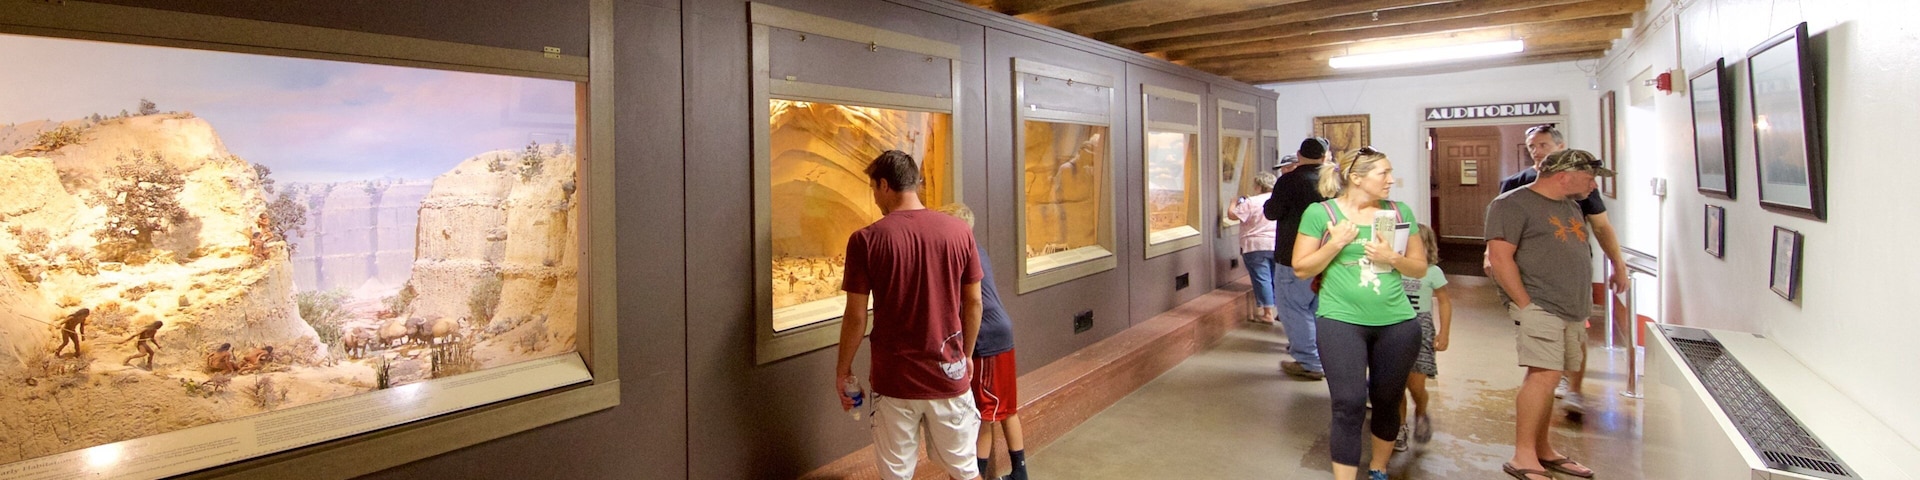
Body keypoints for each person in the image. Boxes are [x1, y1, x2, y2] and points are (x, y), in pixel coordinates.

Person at [833, 150, 985, 480]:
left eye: (874, 189)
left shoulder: (865, 240)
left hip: (895, 383)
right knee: (965, 470)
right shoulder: (960, 231)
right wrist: (968, 355)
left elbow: (856, 317)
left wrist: (843, 369)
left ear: (885, 186)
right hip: (949, 374)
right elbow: (973, 303)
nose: (874, 198)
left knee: (897, 475)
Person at [1291, 146, 1427, 480]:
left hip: (1397, 323)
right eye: (1384, 173)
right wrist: (1335, 243)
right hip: (1340, 320)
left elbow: (1420, 268)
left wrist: (1392, 257)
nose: (1391, 180)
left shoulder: (1398, 211)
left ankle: (1379, 468)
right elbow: (1301, 269)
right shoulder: (1321, 214)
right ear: (1356, 177)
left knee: (1387, 399)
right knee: (1349, 402)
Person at [1488, 149, 1612, 480]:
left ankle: (1543, 449)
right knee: (1542, 376)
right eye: (1589, 177)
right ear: (1564, 176)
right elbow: (1500, 259)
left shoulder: (1571, 204)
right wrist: (1525, 304)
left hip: (1570, 305)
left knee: (1552, 377)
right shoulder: (1510, 204)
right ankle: (1523, 455)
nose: (1593, 184)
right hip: (1540, 304)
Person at [1496, 124, 1629, 417]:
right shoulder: (1515, 186)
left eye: (1543, 144)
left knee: (1575, 336)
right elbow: (1501, 238)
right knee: (1542, 354)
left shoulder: (1580, 188)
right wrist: (1520, 299)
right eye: (1532, 146)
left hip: (1571, 273)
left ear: (1559, 147)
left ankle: (1574, 388)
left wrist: (1618, 264)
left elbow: (1602, 225)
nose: (1537, 151)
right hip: (1534, 277)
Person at [933, 203, 1029, 480]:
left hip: (986, 339)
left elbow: (969, 302)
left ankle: (979, 474)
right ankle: (1019, 472)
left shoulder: (959, 255)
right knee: (1006, 407)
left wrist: (968, 351)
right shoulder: (978, 251)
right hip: (1000, 332)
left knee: (984, 412)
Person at [1262, 137, 1333, 380]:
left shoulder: (1289, 181)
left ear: (1299, 155)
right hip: (1327, 254)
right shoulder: (1334, 183)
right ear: (1325, 157)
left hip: (1292, 254)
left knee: (1294, 307)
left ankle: (1309, 362)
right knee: (1317, 308)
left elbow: (1272, 212)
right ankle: (1322, 356)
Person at [1396, 225, 1452, 452]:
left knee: (1416, 384)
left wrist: (1444, 332)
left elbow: (1445, 301)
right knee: (1397, 384)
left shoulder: (1432, 272)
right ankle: (1400, 426)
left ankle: (1420, 411)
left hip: (1421, 328)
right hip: (1395, 325)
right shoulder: (1393, 268)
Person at [1228, 171, 1281, 325]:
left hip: (1254, 245)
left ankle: (1267, 313)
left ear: (1258, 185)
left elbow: (1233, 215)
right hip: (1275, 243)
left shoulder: (1251, 202)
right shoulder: (1278, 200)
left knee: (1261, 278)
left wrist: (1233, 202)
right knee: (1274, 277)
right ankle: (1280, 310)